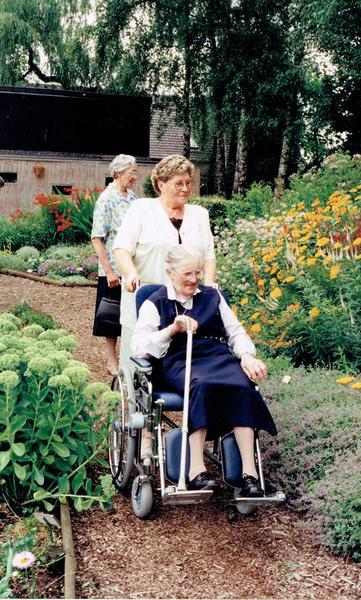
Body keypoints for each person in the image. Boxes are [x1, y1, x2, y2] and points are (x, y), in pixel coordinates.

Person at [131, 246, 277, 497]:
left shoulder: (212, 296)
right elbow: (139, 347)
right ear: (170, 272)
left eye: (198, 272)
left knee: (243, 385)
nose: (194, 279)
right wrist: (172, 329)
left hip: (218, 356)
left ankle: (250, 475)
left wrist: (246, 356)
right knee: (200, 385)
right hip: (179, 359)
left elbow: (236, 332)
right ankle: (196, 471)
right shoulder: (155, 302)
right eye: (187, 273)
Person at [113, 154, 216, 372]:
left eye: (188, 183)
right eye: (178, 183)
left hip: (187, 302)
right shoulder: (141, 209)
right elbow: (121, 248)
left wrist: (208, 286)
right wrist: (130, 273)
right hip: (146, 296)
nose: (185, 188)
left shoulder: (200, 215)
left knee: (184, 361)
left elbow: (209, 255)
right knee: (139, 360)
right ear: (161, 184)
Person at [91, 154, 138, 376]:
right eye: (132, 172)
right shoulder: (106, 199)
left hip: (132, 269)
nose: (135, 176)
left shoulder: (133, 198)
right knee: (111, 315)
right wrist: (109, 271)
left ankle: (131, 356)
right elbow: (97, 238)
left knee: (132, 314)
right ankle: (111, 360)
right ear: (119, 173)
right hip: (114, 270)